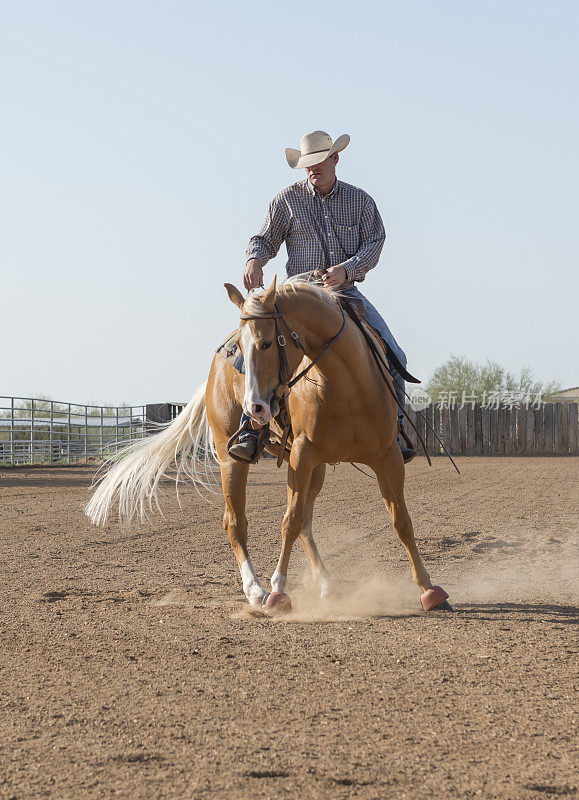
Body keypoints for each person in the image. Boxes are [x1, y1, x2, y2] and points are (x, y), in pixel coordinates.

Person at [229, 130, 417, 464]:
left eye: (318, 161)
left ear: (335, 159)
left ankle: (395, 428)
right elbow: (264, 237)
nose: (313, 168)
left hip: (343, 292)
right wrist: (254, 260)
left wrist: (347, 269)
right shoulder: (286, 200)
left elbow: (375, 242)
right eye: (306, 164)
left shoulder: (360, 201)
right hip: (294, 296)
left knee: (394, 354)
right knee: (253, 350)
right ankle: (250, 427)